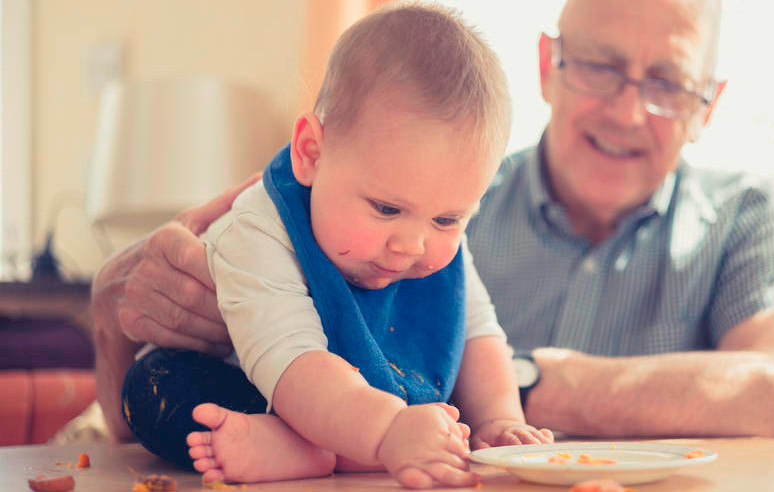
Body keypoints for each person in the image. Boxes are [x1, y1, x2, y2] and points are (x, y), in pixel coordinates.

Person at [92, 0, 774, 456]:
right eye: (600, 67)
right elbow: (130, 423)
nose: (628, 111)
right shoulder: (409, 179)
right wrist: (113, 311)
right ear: (548, 65)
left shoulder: (745, 218)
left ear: (709, 106)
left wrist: (509, 400)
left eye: (668, 82)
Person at [113, 4, 551, 489]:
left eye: (447, 219)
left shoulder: (431, 239)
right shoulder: (259, 232)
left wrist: (499, 419)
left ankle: (328, 450)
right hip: (258, 388)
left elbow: (478, 335)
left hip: (370, 413)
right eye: (387, 208)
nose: (411, 245)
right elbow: (293, 364)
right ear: (312, 154)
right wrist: (386, 431)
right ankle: (304, 445)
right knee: (157, 389)